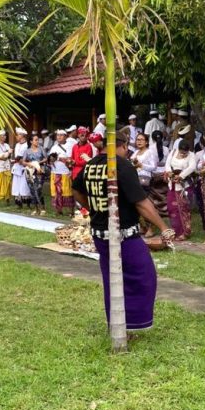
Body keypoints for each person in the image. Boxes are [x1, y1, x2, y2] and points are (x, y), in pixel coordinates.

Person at [71, 132, 174, 333]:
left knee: (112, 279)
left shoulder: (91, 165)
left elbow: (76, 189)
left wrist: (94, 209)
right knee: (143, 277)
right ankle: (132, 325)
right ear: (123, 146)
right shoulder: (122, 165)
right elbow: (141, 203)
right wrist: (164, 227)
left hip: (100, 234)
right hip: (123, 236)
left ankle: (117, 324)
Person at [165, 131, 197, 240]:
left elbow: (192, 167)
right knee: (172, 208)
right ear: (178, 149)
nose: (184, 155)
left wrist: (181, 176)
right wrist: (170, 173)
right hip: (172, 183)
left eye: (185, 153)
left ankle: (185, 232)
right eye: (182, 152)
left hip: (184, 185)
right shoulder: (173, 152)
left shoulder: (192, 155)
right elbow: (167, 164)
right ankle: (176, 230)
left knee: (183, 208)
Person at [49, 130, 75, 216]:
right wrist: (51, 159)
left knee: (67, 191)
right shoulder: (54, 147)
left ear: (65, 136)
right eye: (57, 135)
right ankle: (58, 210)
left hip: (65, 172)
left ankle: (70, 211)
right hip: (55, 172)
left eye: (61, 135)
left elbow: (70, 160)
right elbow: (50, 159)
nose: (59, 137)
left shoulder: (70, 146)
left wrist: (60, 159)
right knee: (56, 192)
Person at [24, 134, 48, 215]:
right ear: (31, 141)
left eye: (38, 139)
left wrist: (38, 163)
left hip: (40, 171)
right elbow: (23, 161)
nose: (37, 141)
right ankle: (36, 208)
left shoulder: (41, 149)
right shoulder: (27, 151)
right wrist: (30, 164)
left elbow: (46, 158)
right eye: (36, 140)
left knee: (39, 189)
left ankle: (43, 208)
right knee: (32, 190)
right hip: (30, 172)